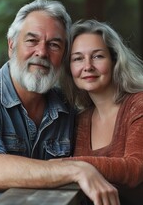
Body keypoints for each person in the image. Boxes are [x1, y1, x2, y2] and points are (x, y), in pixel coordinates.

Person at [0, 0, 120, 205]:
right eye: (31, 41)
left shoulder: (68, 107)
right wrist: (77, 169)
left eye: (54, 44)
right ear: (11, 45)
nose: (42, 52)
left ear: (63, 56)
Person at [61, 19, 143, 205]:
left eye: (97, 56)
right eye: (78, 58)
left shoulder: (138, 104)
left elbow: (135, 169)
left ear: (115, 60)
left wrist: (62, 166)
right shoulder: (82, 119)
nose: (87, 66)